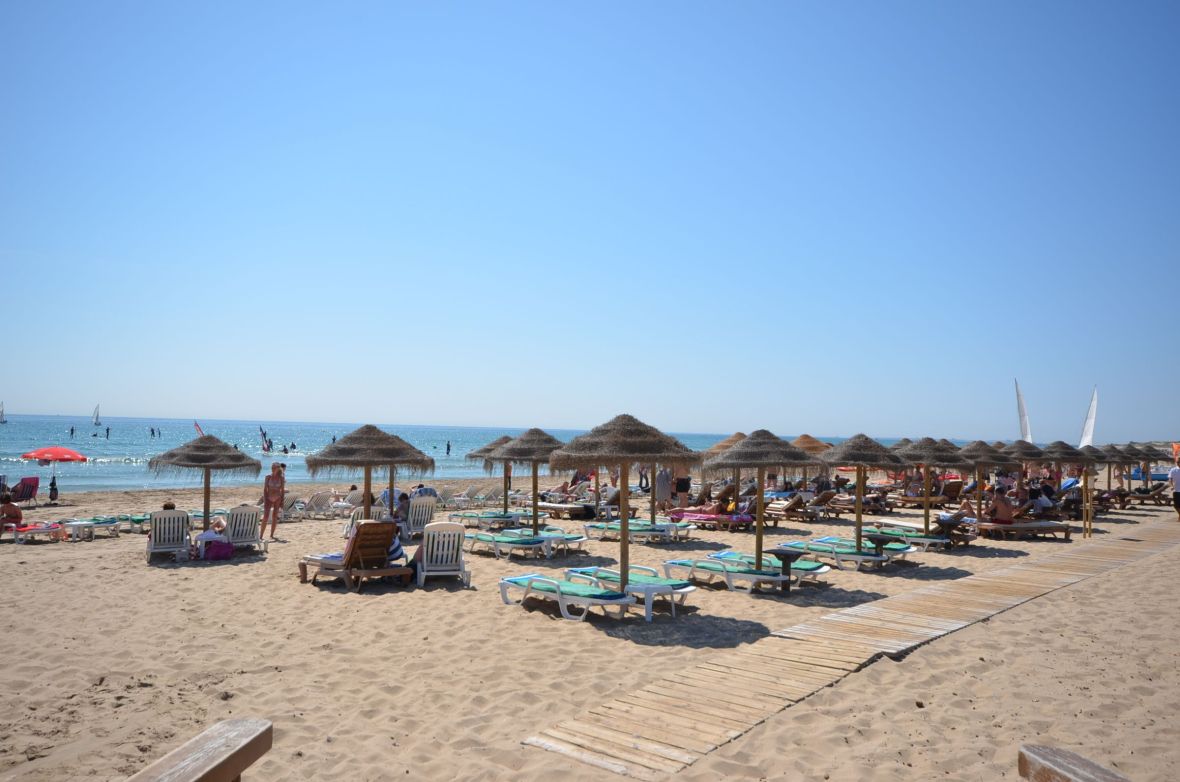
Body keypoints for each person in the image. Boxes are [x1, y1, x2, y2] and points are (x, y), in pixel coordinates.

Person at [261, 463, 285, 540]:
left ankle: (271, 535)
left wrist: (282, 501)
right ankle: (261, 536)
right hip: (269, 498)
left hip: (278, 498)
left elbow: (282, 490)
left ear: (278, 468)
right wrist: (265, 499)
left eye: (274, 467)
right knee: (265, 517)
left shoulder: (281, 478)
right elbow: (265, 489)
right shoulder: (268, 477)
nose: (272, 469)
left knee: (275, 517)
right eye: (272, 467)